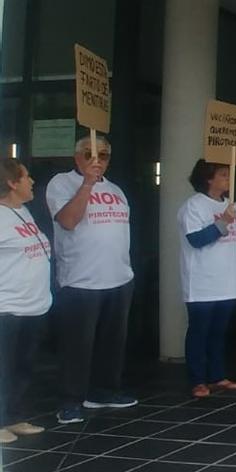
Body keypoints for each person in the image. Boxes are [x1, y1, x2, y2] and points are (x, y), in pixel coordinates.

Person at [47, 136, 137, 424]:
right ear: (77, 157)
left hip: (118, 276)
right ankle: (70, 400)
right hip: (80, 279)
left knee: (112, 342)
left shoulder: (116, 190)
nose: (97, 160)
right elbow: (69, 221)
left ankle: (104, 391)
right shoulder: (61, 183)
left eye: (104, 155)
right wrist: (86, 183)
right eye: (89, 153)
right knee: (77, 345)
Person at [178, 160, 236, 398]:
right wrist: (222, 223)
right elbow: (196, 239)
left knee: (219, 331)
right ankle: (197, 379)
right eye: (223, 174)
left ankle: (217, 375)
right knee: (200, 330)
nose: (228, 179)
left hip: (227, 280)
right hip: (203, 281)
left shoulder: (230, 205)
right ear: (208, 179)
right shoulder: (193, 206)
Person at [0, 159, 50, 443]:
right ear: (12, 182)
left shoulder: (24, 212)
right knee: (3, 367)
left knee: (22, 366)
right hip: (7, 307)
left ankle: (13, 416)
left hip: (33, 305)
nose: (32, 182)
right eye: (27, 177)